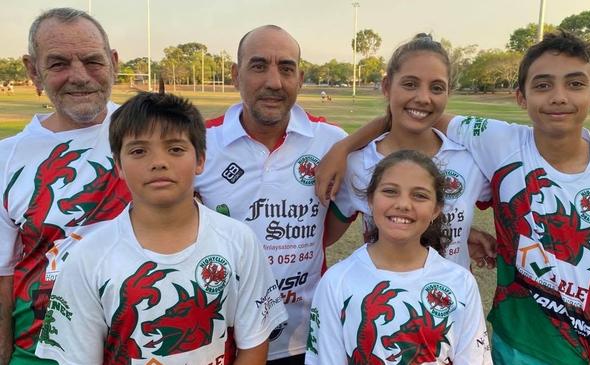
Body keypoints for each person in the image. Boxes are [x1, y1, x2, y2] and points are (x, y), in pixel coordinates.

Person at [318, 30, 590, 365]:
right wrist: (344, 147)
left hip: (584, 352)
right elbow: (413, 114)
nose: (559, 97)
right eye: (543, 84)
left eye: (575, 84)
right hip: (507, 344)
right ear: (521, 96)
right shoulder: (499, 142)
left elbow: (423, 111)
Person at [34, 91, 287, 364]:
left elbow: (254, 345)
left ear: (200, 159)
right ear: (118, 165)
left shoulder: (239, 241)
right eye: (139, 151)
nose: (158, 162)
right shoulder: (88, 257)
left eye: (175, 149)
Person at [193, 25, 347, 364]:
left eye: (286, 68)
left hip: (303, 339)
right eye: (259, 66)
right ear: (236, 75)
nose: (274, 82)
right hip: (223, 338)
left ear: (300, 78)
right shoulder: (201, 143)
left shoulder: (332, 142)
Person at [0, 8, 130, 364]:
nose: (79, 77)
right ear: (33, 71)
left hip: (143, 346)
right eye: (58, 64)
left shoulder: (155, 133)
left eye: (93, 61)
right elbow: (2, 278)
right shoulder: (5, 160)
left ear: (113, 62)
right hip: (42, 350)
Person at [306, 150, 492, 364]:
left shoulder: (460, 281)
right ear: (370, 200)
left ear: (436, 210)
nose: (403, 204)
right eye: (390, 191)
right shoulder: (336, 281)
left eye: (420, 195)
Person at [326, 33, 491, 270]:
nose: (423, 98)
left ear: (448, 93)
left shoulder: (470, 160)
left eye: (436, 88)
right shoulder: (357, 163)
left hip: (451, 301)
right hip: (382, 299)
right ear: (386, 87)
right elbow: (319, 239)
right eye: (410, 84)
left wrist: (461, 232)